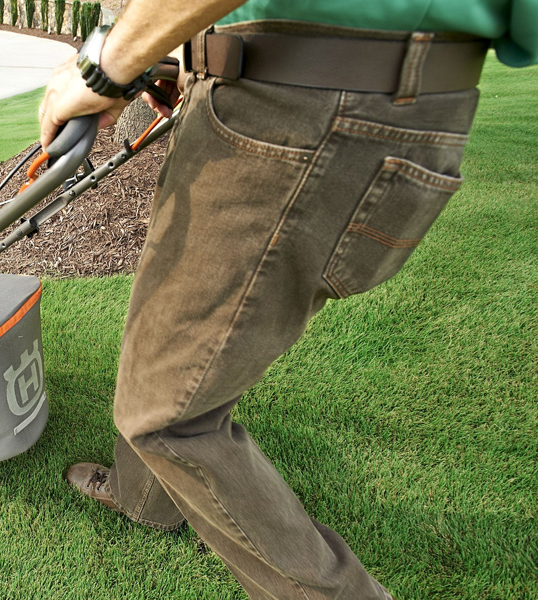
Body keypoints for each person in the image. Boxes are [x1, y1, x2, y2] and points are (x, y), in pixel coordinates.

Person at [38, 1, 537, 597]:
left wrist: (107, 63)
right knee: (172, 339)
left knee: (167, 415)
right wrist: (198, 55)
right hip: (308, 92)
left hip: (311, 106)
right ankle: (145, 498)